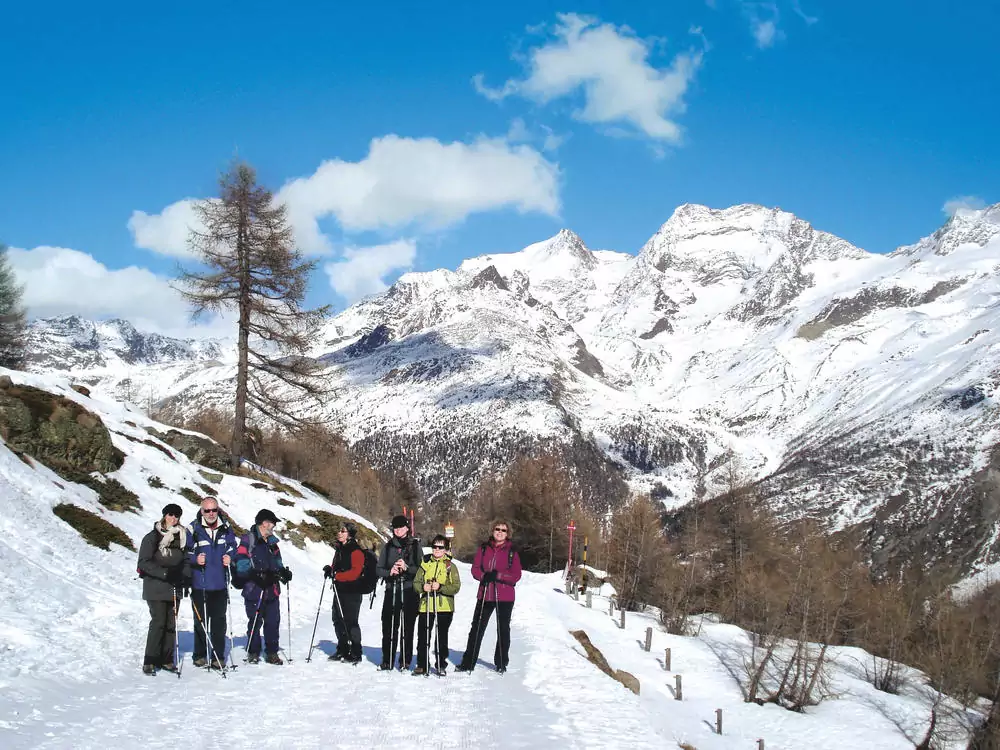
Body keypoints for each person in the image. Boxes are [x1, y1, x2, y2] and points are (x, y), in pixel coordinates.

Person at [456, 519, 522, 674]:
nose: (500, 532)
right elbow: (475, 569)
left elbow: (516, 575)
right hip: (485, 593)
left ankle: (501, 663)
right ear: (492, 531)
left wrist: (499, 575)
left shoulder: (512, 551)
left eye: (503, 530)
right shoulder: (484, 548)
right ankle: (468, 662)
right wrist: (483, 576)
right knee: (477, 628)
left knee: (503, 629)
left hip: (504, 596)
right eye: (497, 529)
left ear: (508, 533)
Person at [137, 503, 190, 674]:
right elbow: (143, 562)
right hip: (156, 586)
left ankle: (166, 659)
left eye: (176, 515)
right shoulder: (152, 537)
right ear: (164, 515)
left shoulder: (182, 536)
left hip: (175, 586)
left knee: (171, 623)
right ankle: (150, 660)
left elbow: (186, 560)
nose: (173, 518)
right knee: (159, 622)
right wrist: (165, 573)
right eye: (170, 514)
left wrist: (185, 576)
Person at [234, 508, 291, 665]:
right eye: (272, 523)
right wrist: (257, 574)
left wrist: (283, 573)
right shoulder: (248, 539)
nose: (274, 526)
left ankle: (272, 652)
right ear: (264, 523)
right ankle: (253, 652)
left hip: (272, 589)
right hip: (254, 589)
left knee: (273, 622)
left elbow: (278, 562)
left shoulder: (272, 543)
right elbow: (241, 564)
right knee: (255, 621)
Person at [187, 497, 237, 669]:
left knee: (219, 622)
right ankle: (199, 655)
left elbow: (233, 546)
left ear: (218, 510)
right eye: (207, 510)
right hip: (200, 584)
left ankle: (218, 656)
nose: (211, 514)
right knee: (200, 622)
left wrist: (230, 556)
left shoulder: (226, 527)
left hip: (220, 584)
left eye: (214, 510)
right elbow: (185, 552)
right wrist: (195, 559)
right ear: (202, 511)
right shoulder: (193, 528)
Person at [376, 514, 421, 670]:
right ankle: (387, 659)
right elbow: (378, 569)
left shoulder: (415, 545)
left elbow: (421, 569)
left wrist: (407, 568)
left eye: (401, 527)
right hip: (392, 590)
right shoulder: (388, 546)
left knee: (407, 627)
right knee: (389, 626)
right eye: (395, 527)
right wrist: (390, 572)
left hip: (409, 590)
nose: (398, 530)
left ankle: (405, 660)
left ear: (407, 528)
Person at [412, 534, 461, 676]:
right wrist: (423, 587)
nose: (437, 549)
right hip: (426, 605)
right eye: (435, 546)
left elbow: (456, 587)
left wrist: (440, 587)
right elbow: (416, 583)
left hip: (444, 606)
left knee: (441, 636)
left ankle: (441, 664)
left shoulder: (450, 566)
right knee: (423, 636)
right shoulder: (425, 563)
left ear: (445, 549)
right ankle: (422, 664)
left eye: (441, 547)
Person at [323, 521, 364, 664]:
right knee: (337, 619)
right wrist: (330, 570)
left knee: (351, 622)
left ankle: (356, 652)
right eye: (339, 530)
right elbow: (337, 566)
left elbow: (355, 572)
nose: (339, 533)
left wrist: (337, 576)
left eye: (343, 531)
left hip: (353, 591)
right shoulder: (339, 548)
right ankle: (342, 649)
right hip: (339, 590)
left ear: (350, 534)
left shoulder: (356, 550)